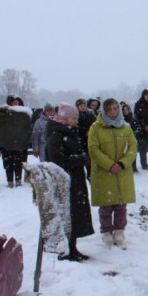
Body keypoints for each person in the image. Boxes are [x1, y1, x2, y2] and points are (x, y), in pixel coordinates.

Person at [45, 104, 95, 261]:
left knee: (74, 214)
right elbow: (57, 159)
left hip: (75, 179)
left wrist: (82, 157)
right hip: (65, 181)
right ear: (65, 119)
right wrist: (81, 159)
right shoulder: (56, 134)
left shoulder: (70, 132)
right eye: (74, 118)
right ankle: (68, 249)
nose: (76, 121)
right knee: (67, 214)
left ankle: (73, 247)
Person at [88, 98, 138, 249]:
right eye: (109, 110)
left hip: (122, 172)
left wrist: (122, 163)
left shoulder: (126, 127)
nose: (113, 112)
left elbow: (133, 148)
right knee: (106, 205)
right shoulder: (96, 128)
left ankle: (119, 231)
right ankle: (106, 232)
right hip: (105, 173)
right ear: (104, 111)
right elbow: (93, 149)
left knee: (121, 205)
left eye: (115, 109)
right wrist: (109, 165)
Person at [0, 95, 29, 187]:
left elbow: (27, 129)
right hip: (7, 143)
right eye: (14, 102)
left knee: (18, 162)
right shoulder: (4, 114)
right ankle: (10, 180)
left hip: (19, 143)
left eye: (17, 102)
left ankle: (18, 179)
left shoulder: (24, 114)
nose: (16, 104)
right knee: (8, 163)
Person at [121, 103, 141, 172]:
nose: (126, 111)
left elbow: (138, 128)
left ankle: (134, 167)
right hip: (123, 139)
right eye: (124, 110)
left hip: (132, 139)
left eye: (127, 109)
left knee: (133, 153)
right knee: (124, 154)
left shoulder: (133, 119)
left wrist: (134, 133)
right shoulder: (121, 120)